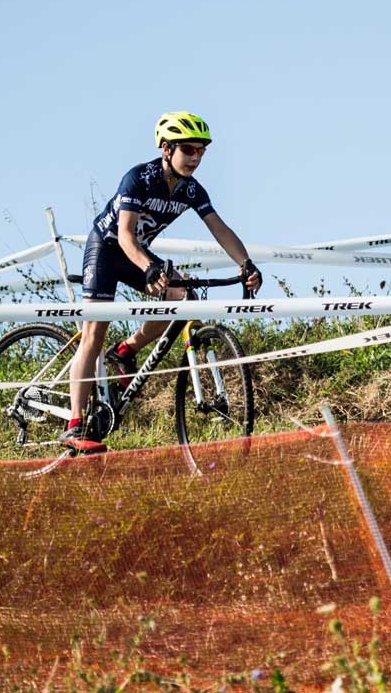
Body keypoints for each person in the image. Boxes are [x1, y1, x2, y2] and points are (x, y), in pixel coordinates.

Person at [61, 111, 263, 453]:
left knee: (181, 294)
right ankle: (75, 423)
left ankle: (126, 351)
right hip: (108, 250)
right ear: (167, 148)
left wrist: (245, 263)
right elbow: (125, 236)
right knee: (94, 332)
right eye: (189, 150)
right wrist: (149, 268)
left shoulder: (191, 190)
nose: (196, 158)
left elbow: (220, 229)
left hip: (136, 253)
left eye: (201, 151)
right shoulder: (139, 178)